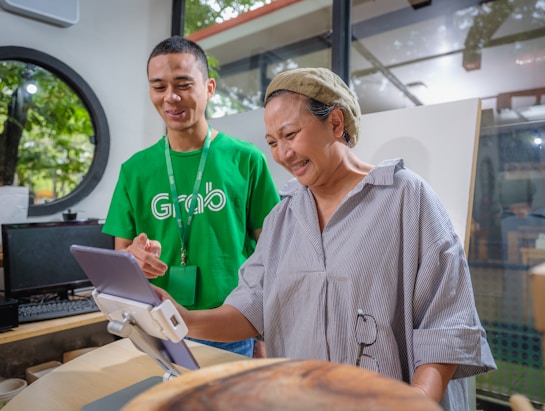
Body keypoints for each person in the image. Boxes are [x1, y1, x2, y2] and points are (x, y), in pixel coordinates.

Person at [146, 67, 496, 410]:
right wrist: (185, 319)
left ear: (335, 123)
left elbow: (447, 321)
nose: (283, 153)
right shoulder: (283, 217)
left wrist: (416, 399)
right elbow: (250, 309)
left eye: (290, 134)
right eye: (272, 142)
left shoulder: (406, 197)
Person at [102, 36, 280, 357]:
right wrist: (134, 257)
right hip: (158, 326)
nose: (171, 97)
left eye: (183, 84)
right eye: (159, 87)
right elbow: (121, 255)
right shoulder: (135, 170)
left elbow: (272, 253)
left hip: (228, 325)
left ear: (209, 87)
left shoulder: (246, 159)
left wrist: (265, 332)